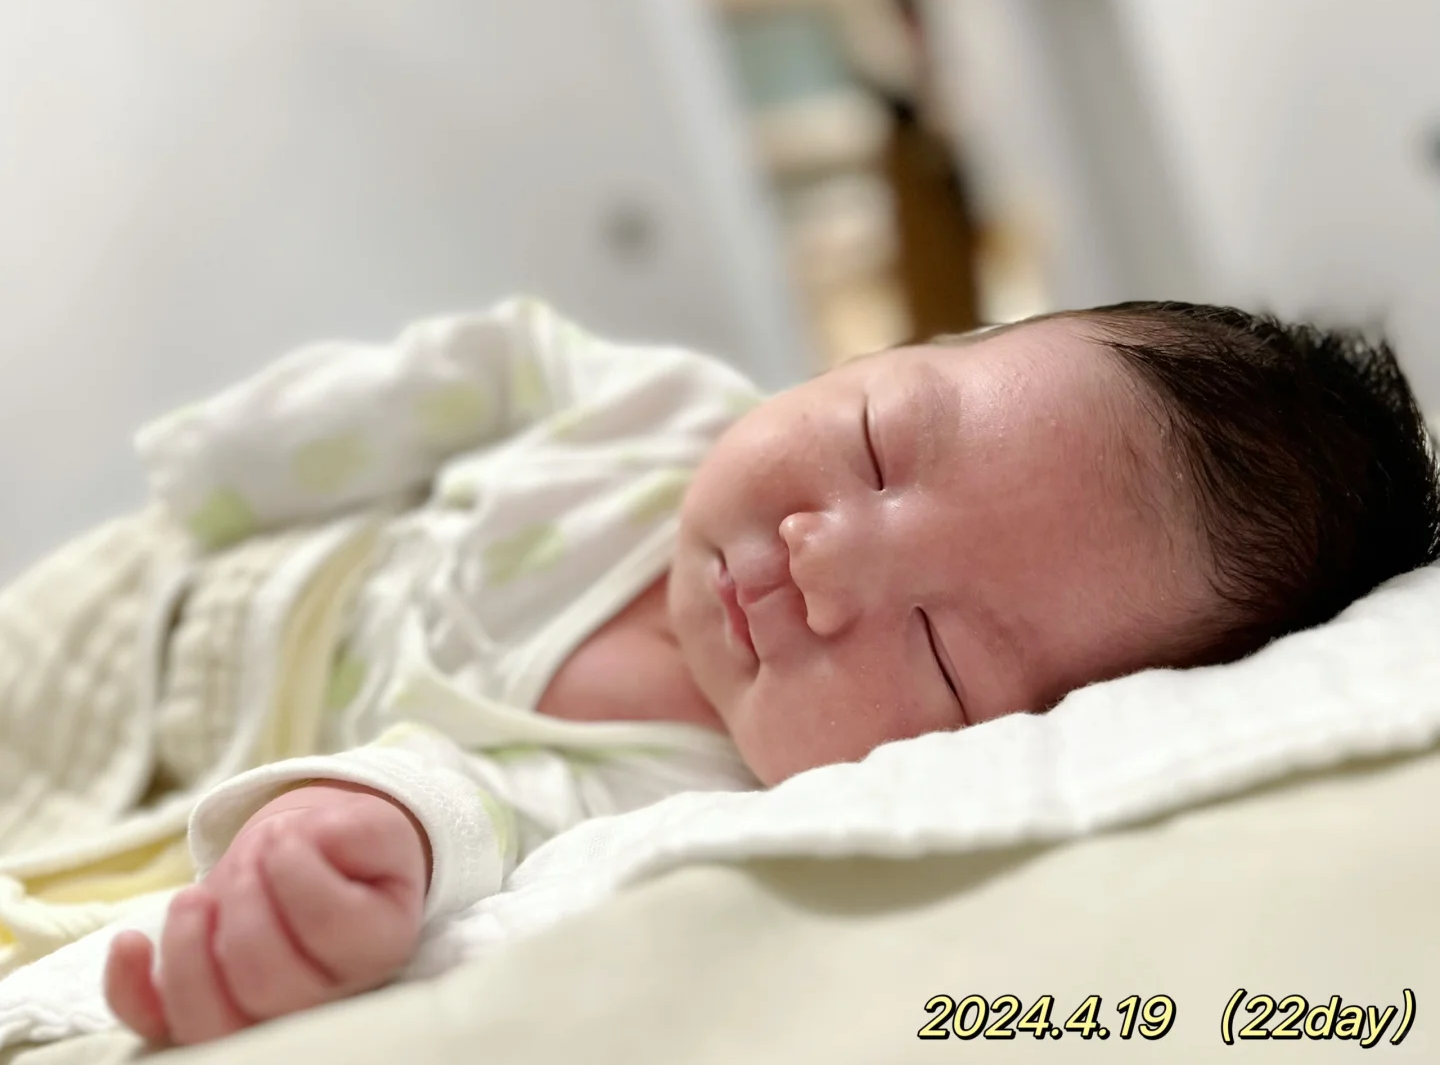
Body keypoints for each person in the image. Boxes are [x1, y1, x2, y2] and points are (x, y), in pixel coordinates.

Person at [85, 297, 1437, 1045]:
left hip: (141, 712)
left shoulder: (680, 781)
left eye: (937, 650)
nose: (822, 564)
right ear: (885, 353)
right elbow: (495, 364)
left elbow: (481, 807)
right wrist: (228, 466)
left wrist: (361, 837)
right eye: (876, 446)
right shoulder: (657, 413)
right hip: (182, 561)